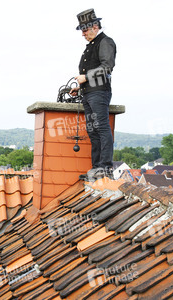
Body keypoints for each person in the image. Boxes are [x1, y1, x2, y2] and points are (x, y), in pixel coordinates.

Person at [70, 8, 117, 180]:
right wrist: (80, 87)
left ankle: (104, 167)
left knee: (102, 128)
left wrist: (85, 77)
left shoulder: (106, 42)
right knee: (93, 130)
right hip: (89, 93)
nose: (82, 34)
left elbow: (107, 67)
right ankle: (97, 167)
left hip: (99, 93)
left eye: (84, 30)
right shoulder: (92, 44)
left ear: (95, 26)